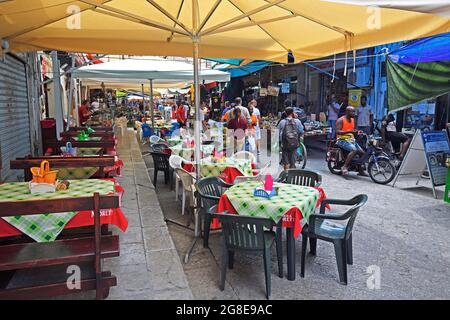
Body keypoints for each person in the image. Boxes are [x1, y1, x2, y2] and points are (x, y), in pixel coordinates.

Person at [335, 106, 366, 175]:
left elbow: (352, 130)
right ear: (347, 112)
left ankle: (360, 170)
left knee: (362, 153)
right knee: (354, 150)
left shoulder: (352, 120)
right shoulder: (341, 120)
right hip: (342, 140)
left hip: (351, 140)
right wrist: (350, 131)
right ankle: (344, 166)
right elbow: (337, 131)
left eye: (354, 111)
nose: (354, 113)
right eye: (352, 112)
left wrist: (357, 132)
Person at [277, 107, 304, 171]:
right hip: (294, 143)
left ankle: (286, 175)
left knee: (286, 162)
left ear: (285, 113)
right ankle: (292, 176)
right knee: (293, 160)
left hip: (285, 143)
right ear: (292, 113)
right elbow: (301, 131)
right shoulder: (297, 121)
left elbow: (277, 132)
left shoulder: (282, 122)